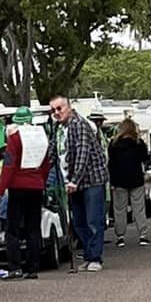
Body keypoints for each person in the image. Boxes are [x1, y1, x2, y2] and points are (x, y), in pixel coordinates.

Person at [50, 97, 108, 272]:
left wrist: (75, 180)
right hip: (72, 181)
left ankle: (95, 257)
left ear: (69, 107)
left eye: (59, 108)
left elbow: (83, 153)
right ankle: (89, 255)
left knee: (93, 220)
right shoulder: (59, 129)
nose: (56, 113)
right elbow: (54, 153)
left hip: (91, 179)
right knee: (78, 222)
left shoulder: (80, 124)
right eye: (53, 110)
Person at [0, 114, 53, 279]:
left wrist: (0, 191)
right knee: (33, 227)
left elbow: (8, 165)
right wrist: (40, 181)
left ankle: (15, 267)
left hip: (17, 186)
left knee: (12, 228)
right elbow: (46, 164)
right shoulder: (42, 137)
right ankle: (32, 268)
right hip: (36, 186)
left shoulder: (14, 139)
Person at [106, 116, 150, 247]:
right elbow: (145, 158)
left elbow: (111, 163)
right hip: (136, 178)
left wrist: (112, 181)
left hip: (119, 180)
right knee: (139, 208)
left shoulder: (113, 144)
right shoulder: (138, 143)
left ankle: (120, 236)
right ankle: (143, 234)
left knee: (119, 209)